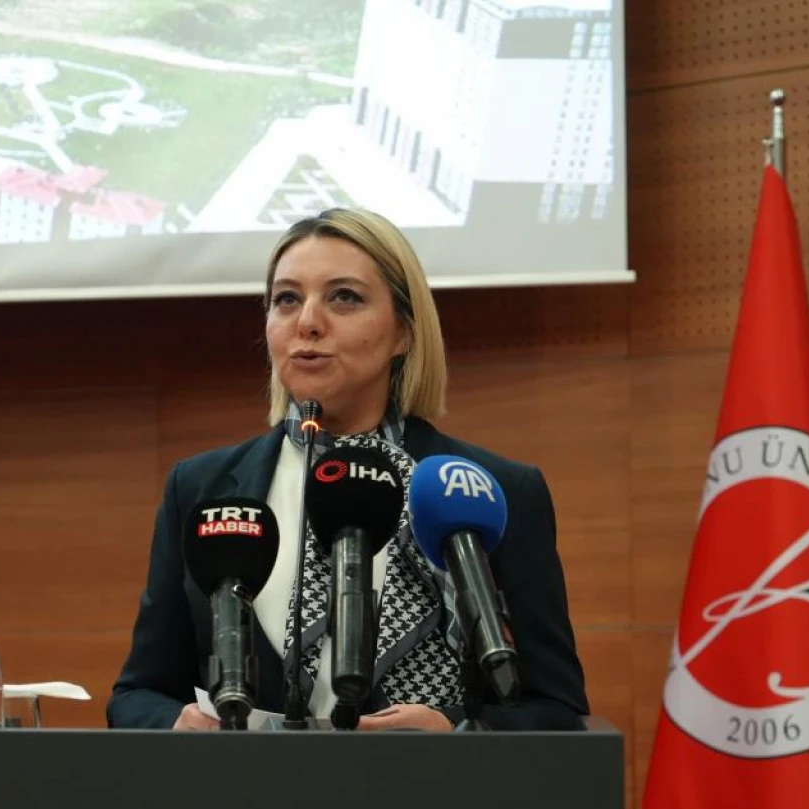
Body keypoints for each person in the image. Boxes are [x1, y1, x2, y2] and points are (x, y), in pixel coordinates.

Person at [107, 208, 588, 731]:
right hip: (247, 784)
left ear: (404, 332)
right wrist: (174, 724)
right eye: (286, 299)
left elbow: (555, 709)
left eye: (344, 297)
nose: (307, 322)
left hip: (433, 784)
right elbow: (138, 695)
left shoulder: (491, 490)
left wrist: (453, 731)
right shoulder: (201, 489)